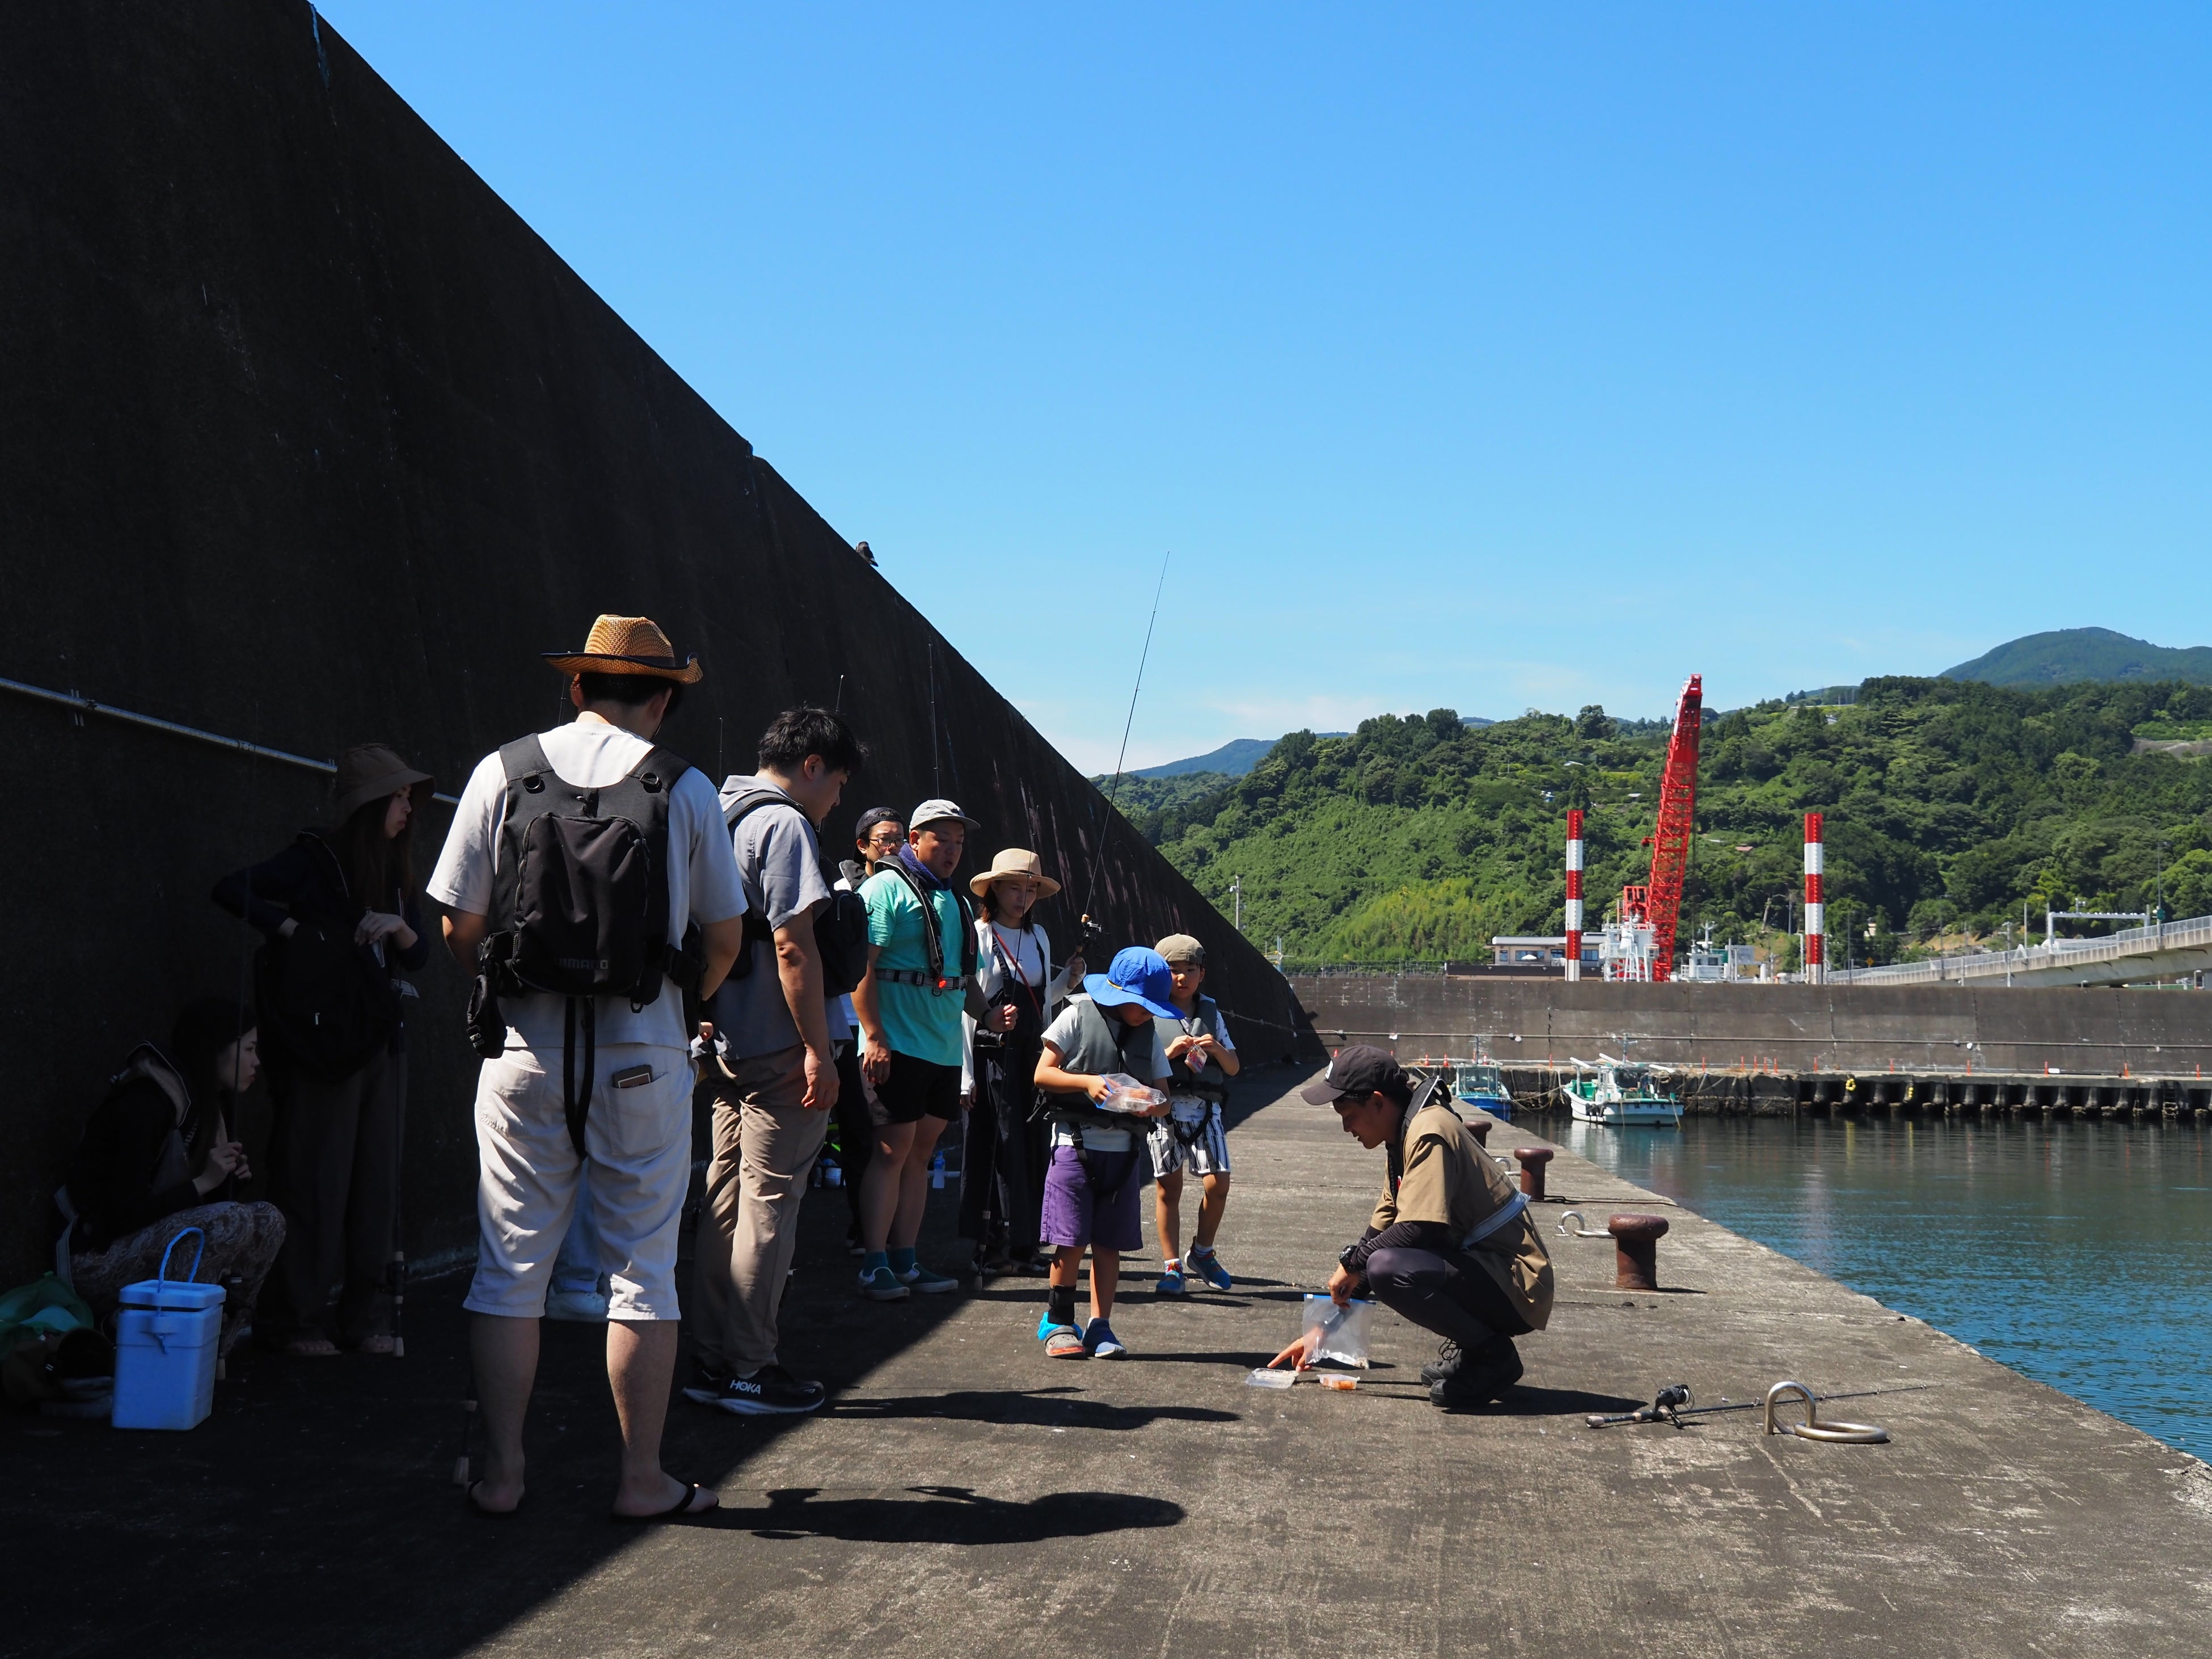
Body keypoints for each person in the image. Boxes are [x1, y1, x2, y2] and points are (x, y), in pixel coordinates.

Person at [429, 614, 745, 1519]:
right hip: (644, 1053)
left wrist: (508, 984)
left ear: (576, 686)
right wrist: (674, 1006)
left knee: (509, 1268)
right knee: (643, 1272)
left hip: (523, 1053)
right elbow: (725, 936)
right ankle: (642, 1479)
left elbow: (459, 921)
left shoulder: (503, 770)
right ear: (663, 701)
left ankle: (501, 1476)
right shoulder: (685, 788)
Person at [212, 742, 432, 1358]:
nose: (407, 809)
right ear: (369, 804)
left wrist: (398, 925)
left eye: (409, 797)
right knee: (316, 1177)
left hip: (380, 1038)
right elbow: (233, 888)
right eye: (397, 797)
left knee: (376, 1183)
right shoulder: (315, 860)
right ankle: (296, 1320)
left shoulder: (395, 871)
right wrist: (295, 932)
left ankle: (365, 1317)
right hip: (321, 1045)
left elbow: (419, 955)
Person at [686, 706, 866, 1416]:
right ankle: (751, 1368)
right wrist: (819, 1050)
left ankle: (710, 1359)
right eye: (839, 784)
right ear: (812, 766)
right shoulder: (783, 825)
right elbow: (793, 946)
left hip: (723, 1044)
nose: (837, 801)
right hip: (782, 1048)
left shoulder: (714, 810)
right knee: (770, 1209)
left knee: (723, 1201)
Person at [1271, 1046, 1554, 1409]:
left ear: (1377, 1102)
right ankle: (1476, 1348)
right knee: (1378, 1260)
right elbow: (1379, 1234)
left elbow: (1419, 1229)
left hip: (1518, 1282)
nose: (1346, 1128)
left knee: (1388, 1268)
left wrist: (1352, 1262)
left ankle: (1492, 1356)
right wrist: (1320, 1334)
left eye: (1349, 1115)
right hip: (1488, 1271)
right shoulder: (1402, 1136)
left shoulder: (1428, 1130)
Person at [62, 1000, 288, 1363]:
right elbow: (121, 1215)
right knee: (230, 1219)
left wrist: (225, 1182)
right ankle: (167, 1356)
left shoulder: (208, 1105)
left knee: (268, 1219)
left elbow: (186, 1213)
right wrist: (203, 1183)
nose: (257, 1061)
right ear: (216, 1050)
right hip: (95, 1258)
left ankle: (211, 1355)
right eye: (249, 1049)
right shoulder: (148, 1104)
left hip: (149, 1247)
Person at [850, 799, 982, 1301]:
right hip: (897, 1042)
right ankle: (874, 1263)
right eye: (942, 840)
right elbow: (862, 967)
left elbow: (963, 977)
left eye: (959, 842)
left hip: (943, 1048)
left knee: (921, 1153)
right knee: (891, 1151)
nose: (952, 850)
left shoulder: (957, 901)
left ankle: (906, 1259)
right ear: (915, 839)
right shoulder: (885, 888)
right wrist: (874, 1036)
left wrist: (990, 1014)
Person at [1028, 947, 1177, 1358]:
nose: (1147, 1014)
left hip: (1124, 1154)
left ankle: (1100, 1325)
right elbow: (1042, 1073)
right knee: (1070, 1240)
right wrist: (1087, 1082)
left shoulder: (1149, 1034)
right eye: (1143, 1005)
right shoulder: (1077, 1015)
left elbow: (1165, 1098)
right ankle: (1059, 1320)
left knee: (1109, 1243)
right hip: (1074, 1147)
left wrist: (1151, 1105)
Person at [959, 849, 1083, 1277]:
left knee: (1031, 1148)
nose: (1022, 897)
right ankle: (992, 1246)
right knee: (995, 1148)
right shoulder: (980, 934)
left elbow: (1042, 1001)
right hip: (991, 1059)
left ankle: (1026, 1245)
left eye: (1030, 890)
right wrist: (966, 1075)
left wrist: (1068, 979)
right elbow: (966, 1009)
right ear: (994, 889)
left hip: (1031, 1061)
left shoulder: (1039, 937)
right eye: (1014, 887)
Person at [1146, 934, 1241, 1295]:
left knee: (1219, 1184)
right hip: (1165, 1110)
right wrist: (1170, 1052)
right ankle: (1172, 1267)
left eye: (1190, 969)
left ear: (1202, 974)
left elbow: (1233, 1067)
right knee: (1168, 1188)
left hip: (1206, 1110)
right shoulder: (1148, 1011)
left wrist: (1216, 1048)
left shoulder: (1211, 1014)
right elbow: (1137, 1066)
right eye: (1173, 970)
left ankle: (1202, 1251)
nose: (1182, 977)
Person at [828, 807, 905, 1249]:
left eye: (900, 840)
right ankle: (864, 1229)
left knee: (888, 1133)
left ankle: (884, 1227)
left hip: (892, 1027)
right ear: (863, 845)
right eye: (885, 840)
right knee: (858, 1131)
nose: (894, 848)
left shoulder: (908, 890)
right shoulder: (842, 894)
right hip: (847, 1027)